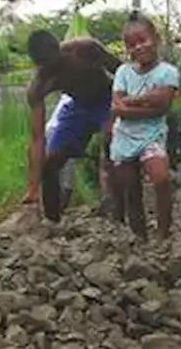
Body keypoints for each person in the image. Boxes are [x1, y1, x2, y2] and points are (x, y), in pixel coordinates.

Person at [23, 29, 122, 221]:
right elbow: (37, 138)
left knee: (111, 143)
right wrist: (33, 187)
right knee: (50, 164)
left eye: (51, 62)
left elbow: (123, 74)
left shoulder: (85, 49)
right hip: (77, 107)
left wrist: (122, 108)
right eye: (42, 65)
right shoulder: (40, 84)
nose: (49, 69)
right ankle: (52, 221)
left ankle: (115, 210)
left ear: (58, 50)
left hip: (107, 98)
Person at [109, 12, 180, 239]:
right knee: (132, 192)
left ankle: (163, 235)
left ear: (155, 38)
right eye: (131, 44)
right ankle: (140, 239)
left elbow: (163, 107)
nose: (138, 47)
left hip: (152, 136)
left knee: (161, 179)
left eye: (143, 40)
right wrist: (148, 99)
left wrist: (129, 103)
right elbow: (116, 108)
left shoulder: (168, 72)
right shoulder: (123, 72)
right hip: (124, 139)